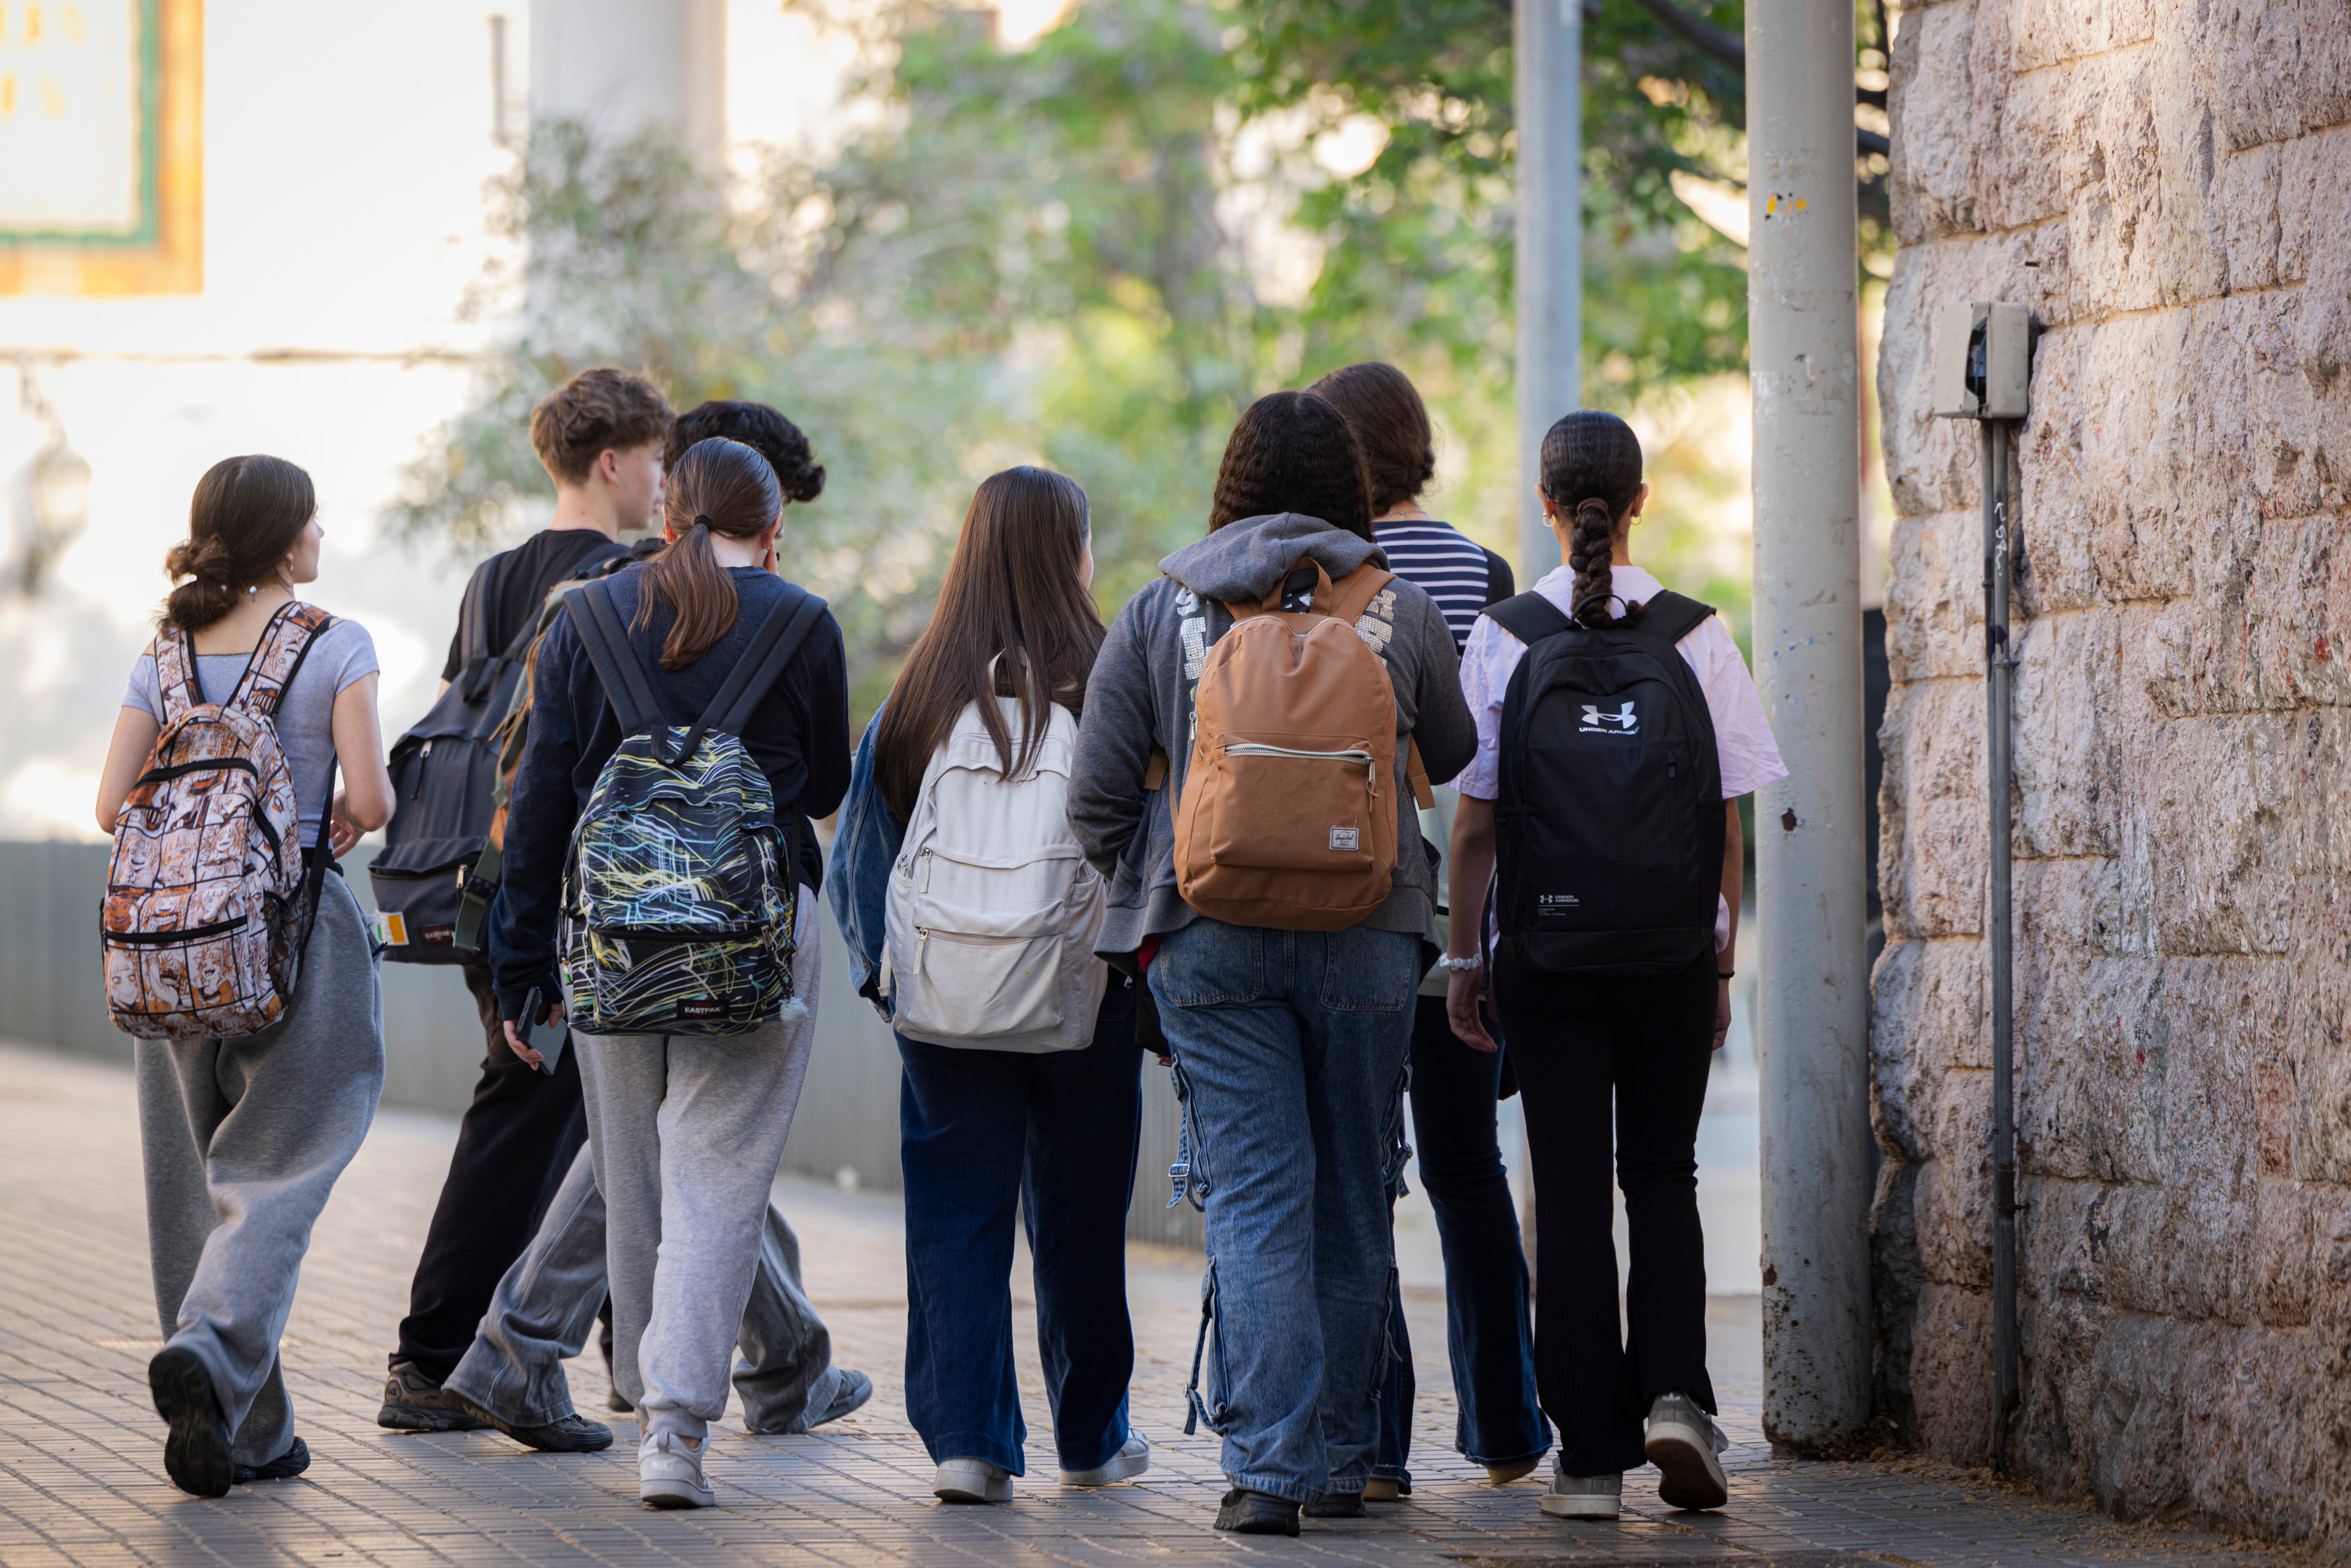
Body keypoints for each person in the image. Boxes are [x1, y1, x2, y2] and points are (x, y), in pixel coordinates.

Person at [1069, 392, 1476, 1536]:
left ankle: (1267, 1471)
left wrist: (1159, 873)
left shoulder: (1164, 609)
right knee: (1354, 1189)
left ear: (1231, 482)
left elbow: (1094, 797)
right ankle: (1344, 1458)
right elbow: (1453, 750)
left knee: (1253, 1197)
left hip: (1209, 938)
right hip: (1368, 937)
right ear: (1352, 487)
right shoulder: (1393, 605)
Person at [440, 397, 868, 1451]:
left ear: (669, 516)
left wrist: (520, 962)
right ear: (773, 531)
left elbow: (543, 802)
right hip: (756, 932)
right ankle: (676, 1427)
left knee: (631, 1175)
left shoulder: (587, 614)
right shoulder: (803, 619)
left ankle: (637, 1391)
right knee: (720, 1171)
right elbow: (825, 784)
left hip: (609, 937)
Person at [1444, 410, 1785, 1520]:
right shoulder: (1696, 634)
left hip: (1544, 954)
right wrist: (1719, 965)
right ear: (1638, 503)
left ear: (1549, 505)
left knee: (1573, 1196)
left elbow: (1474, 825)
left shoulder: (1504, 634)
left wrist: (1463, 959)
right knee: (1664, 1177)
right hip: (1670, 956)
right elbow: (1726, 822)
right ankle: (1678, 1398)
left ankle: (1588, 1461)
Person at [827, 467, 1147, 1505]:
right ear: (1074, 555)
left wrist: (896, 987)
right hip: (1084, 997)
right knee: (1082, 1221)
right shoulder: (1114, 682)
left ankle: (967, 1444)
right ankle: (1092, 1440)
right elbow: (1151, 851)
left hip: (949, 1009)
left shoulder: (919, 694)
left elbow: (855, 869)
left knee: (956, 1221)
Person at [95, 455, 396, 1495]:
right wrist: (340, 814)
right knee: (280, 1167)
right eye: (314, 522)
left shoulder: (163, 655)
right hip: (295, 933)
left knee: (190, 1182)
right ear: (284, 540)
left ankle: (247, 1431)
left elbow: (108, 806)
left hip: (170, 949)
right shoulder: (333, 642)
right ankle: (215, 1358)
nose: (322, 540)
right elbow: (373, 794)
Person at [381, 367, 673, 1436]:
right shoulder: (631, 575)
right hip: (566, 892)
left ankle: (537, 1361)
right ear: (612, 461)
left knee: (566, 1123)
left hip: (482, 887)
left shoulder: (494, 578)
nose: (662, 480)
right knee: (537, 1121)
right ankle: (437, 1360)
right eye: (654, 460)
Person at [1306, 361, 1548, 1499]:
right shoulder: (1484, 570)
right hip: (1460, 922)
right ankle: (1508, 1426)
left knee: (1361, 1183)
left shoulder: (1317, 574)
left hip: (1348, 910)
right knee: (1466, 1172)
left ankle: (1378, 1445)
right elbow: (1482, 770)